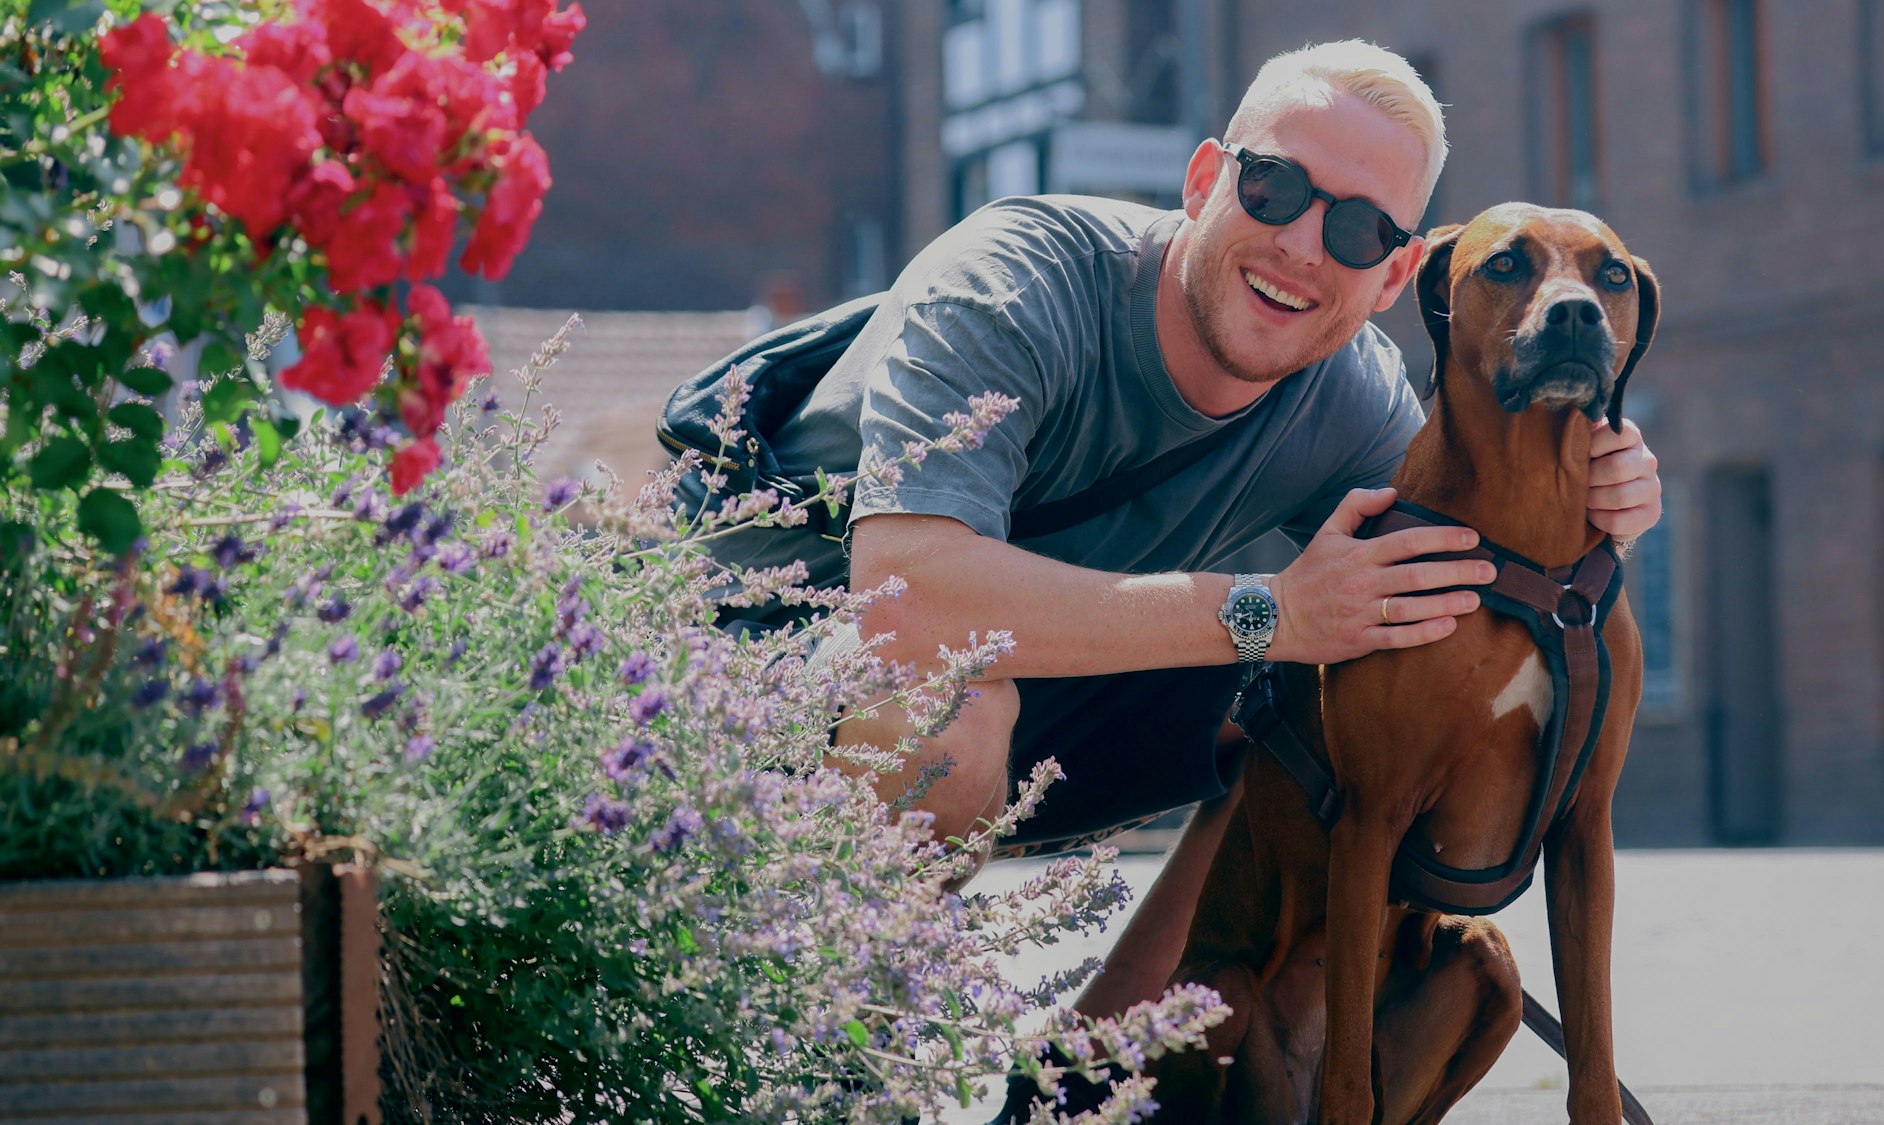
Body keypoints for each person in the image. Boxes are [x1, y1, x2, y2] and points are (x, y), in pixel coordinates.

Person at [692, 40, 1661, 1028]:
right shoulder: (1015, 281)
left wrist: (1596, 507)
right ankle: (823, 1052)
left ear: (1391, 275)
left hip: (1038, 713)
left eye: (1360, 228)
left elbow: (1467, 588)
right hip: (731, 701)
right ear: (1204, 181)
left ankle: (1087, 1076)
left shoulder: (1353, 399)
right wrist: (1271, 612)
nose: (1303, 246)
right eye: (1275, 187)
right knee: (944, 705)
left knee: (1314, 709)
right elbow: (904, 605)